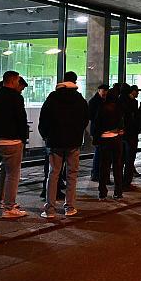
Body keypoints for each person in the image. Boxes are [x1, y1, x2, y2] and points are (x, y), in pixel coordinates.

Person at [38, 71, 90, 218]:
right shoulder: (80, 100)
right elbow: (85, 120)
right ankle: (70, 207)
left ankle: (49, 210)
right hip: (73, 142)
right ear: (75, 82)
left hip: (55, 142)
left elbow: (44, 119)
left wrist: (46, 136)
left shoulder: (53, 98)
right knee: (72, 175)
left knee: (53, 174)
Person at [0, 71, 29, 219]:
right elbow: (21, 119)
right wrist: (23, 139)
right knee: (12, 175)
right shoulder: (16, 98)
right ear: (14, 81)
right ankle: (8, 208)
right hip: (11, 141)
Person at [93, 89, 124, 199]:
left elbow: (96, 125)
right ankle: (118, 192)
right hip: (116, 139)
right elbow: (121, 125)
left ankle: (102, 192)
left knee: (104, 166)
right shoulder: (118, 109)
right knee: (117, 166)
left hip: (104, 139)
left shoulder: (101, 108)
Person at [121, 84, 141, 189]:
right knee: (129, 159)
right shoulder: (132, 102)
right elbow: (135, 119)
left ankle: (119, 183)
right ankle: (126, 183)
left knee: (120, 159)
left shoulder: (117, 101)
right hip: (130, 134)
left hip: (120, 134)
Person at [88, 84, 109, 182]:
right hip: (97, 130)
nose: (105, 92)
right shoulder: (94, 101)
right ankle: (95, 173)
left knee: (101, 152)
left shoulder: (104, 101)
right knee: (99, 152)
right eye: (103, 90)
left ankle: (97, 173)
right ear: (99, 90)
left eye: (106, 90)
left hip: (102, 130)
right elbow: (91, 116)